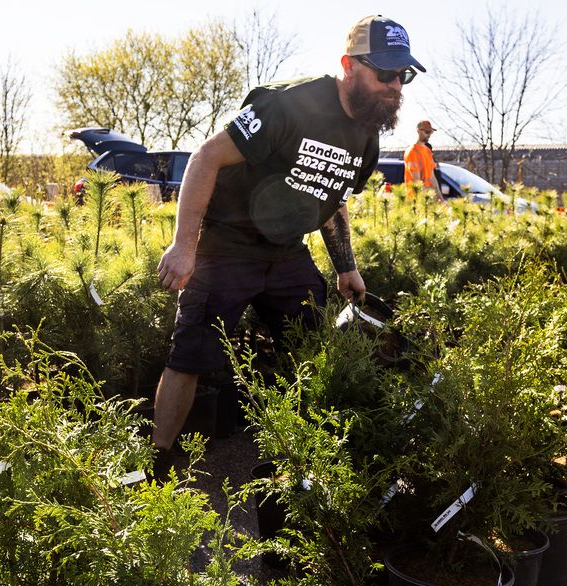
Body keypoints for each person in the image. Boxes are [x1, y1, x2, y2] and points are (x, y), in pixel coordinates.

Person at [152, 14, 424, 472]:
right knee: (191, 355)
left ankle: (304, 460)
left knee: (311, 350)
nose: (396, 84)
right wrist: (184, 245)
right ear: (349, 66)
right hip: (226, 246)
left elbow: (332, 198)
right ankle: (157, 457)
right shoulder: (288, 105)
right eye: (385, 73)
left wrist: (346, 267)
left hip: (286, 254)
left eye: (403, 75)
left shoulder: (368, 138)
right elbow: (205, 157)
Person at [404, 120, 443, 200]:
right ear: (418, 131)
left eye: (431, 132)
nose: (429, 135)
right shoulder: (412, 151)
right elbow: (417, 182)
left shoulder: (428, 151)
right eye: (427, 132)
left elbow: (433, 178)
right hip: (416, 201)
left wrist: (440, 199)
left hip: (428, 199)